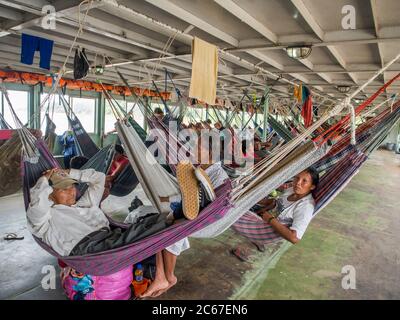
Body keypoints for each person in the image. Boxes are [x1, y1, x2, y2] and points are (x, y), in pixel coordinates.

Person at [27, 167, 188, 299]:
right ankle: (168, 275)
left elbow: (99, 178)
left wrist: (71, 173)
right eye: (63, 188)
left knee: (163, 219)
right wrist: (44, 180)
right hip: (94, 251)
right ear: (49, 194)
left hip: (113, 238)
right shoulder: (45, 220)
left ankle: (162, 276)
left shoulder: (86, 203)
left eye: (72, 186)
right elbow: (36, 204)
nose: (71, 191)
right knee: (170, 222)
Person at [231, 167, 319, 260]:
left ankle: (254, 242)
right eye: (297, 178)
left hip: (266, 230)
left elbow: (294, 238)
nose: (298, 183)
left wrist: (270, 219)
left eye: (304, 181)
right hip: (263, 217)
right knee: (236, 200)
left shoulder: (306, 207)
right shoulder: (291, 190)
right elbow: (275, 202)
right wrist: (251, 198)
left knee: (230, 211)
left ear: (312, 186)